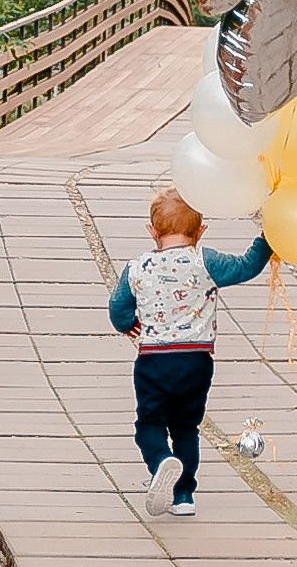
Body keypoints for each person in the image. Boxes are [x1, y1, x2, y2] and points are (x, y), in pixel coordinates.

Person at [107, 187, 272, 516]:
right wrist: (267, 240)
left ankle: (161, 462)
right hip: (196, 361)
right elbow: (247, 266)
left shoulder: (137, 267)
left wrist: (127, 324)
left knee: (150, 425)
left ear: (152, 232)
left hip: (153, 362)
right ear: (200, 231)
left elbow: (117, 306)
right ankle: (183, 496)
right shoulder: (205, 261)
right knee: (185, 428)